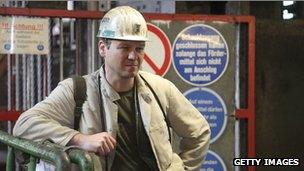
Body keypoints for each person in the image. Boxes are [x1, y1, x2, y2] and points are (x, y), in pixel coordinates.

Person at [13, 6, 210, 171]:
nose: (134, 56)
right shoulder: (76, 91)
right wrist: (80, 140)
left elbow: (198, 132)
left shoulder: (160, 89)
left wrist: (181, 168)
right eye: (124, 47)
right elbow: (24, 125)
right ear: (102, 48)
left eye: (139, 48)